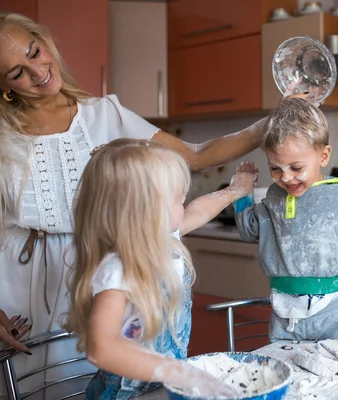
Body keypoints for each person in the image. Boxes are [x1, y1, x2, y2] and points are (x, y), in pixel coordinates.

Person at [0, 11, 265, 396]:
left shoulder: (104, 114)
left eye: (35, 52)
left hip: (90, 263)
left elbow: (195, 156)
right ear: (6, 87)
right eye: (17, 72)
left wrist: (267, 127)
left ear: (46, 42)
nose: (37, 71)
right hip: (17, 285)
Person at [64, 139, 256, 399]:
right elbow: (102, 348)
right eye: (178, 199)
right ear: (147, 211)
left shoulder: (165, 239)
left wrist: (235, 191)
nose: (184, 204)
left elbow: (198, 212)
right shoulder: (119, 269)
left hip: (159, 388)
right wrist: (177, 372)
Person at [233, 97, 338, 342]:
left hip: (332, 313)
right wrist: (243, 192)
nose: (286, 177)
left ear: (323, 156)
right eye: (275, 168)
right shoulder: (275, 196)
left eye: (296, 168)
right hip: (283, 315)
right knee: (286, 374)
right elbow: (248, 230)